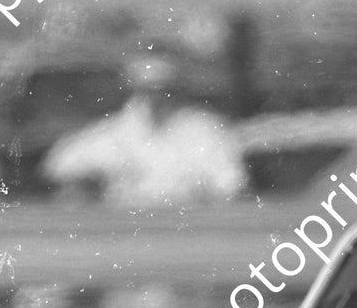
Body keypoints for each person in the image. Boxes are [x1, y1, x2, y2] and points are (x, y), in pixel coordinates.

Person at [43, 55, 248, 207]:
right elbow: (59, 166)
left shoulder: (206, 130)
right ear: (134, 90)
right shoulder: (113, 132)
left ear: (176, 90)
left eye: (163, 90)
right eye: (147, 90)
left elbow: (231, 186)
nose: (155, 98)